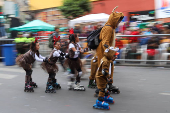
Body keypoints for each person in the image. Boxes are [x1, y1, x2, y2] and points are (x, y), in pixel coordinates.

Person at [95, 6, 124, 95]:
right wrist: (110, 54)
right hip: (104, 53)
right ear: (114, 20)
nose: (119, 22)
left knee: (109, 68)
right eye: (118, 20)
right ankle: (99, 89)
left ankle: (108, 84)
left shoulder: (111, 28)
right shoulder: (108, 28)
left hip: (107, 52)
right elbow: (105, 43)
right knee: (104, 69)